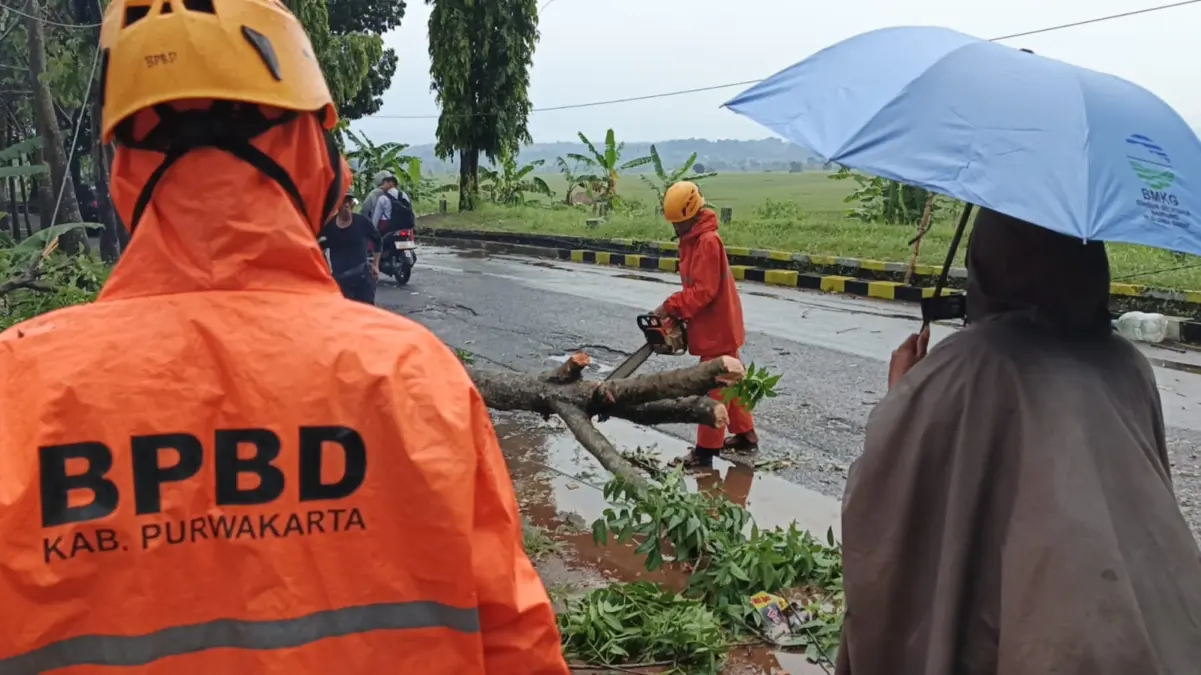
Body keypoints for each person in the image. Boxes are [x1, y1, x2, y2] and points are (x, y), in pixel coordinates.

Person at [0, 1, 570, 673]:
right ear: (317, 158)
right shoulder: (417, 379)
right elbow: (515, 642)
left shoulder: (19, 387)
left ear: (122, 173)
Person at [836, 207, 1201, 675]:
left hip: (1041, 644)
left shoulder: (967, 367)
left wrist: (900, 396)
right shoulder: (1129, 365)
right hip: (1153, 631)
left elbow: (883, 509)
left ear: (990, 262)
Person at [656, 181, 757, 469]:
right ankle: (747, 435)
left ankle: (705, 451)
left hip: (718, 327)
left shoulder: (707, 242)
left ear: (692, 215)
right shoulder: (692, 240)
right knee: (731, 384)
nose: (676, 228)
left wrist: (670, 306)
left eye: (680, 223)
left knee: (714, 387)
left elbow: (703, 291)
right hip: (714, 324)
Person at [321, 192, 381, 304]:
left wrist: (375, 265)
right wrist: (327, 269)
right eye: (344, 204)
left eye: (349, 204)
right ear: (338, 207)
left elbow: (378, 240)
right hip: (341, 278)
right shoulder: (330, 227)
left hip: (362, 275)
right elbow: (320, 248)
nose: (347, 207)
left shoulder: (362, 222)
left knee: (366, 310)